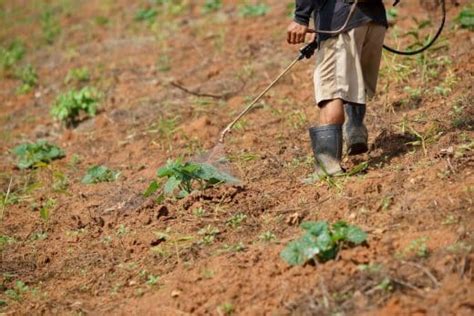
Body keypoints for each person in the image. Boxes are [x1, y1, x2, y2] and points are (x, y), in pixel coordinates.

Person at [287, 0, 389, 177]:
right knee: (354, 79)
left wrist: (300, 18)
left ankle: (328, 167)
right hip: (375, 21)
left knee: (331, 90)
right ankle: (355, 128)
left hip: (343, 19)